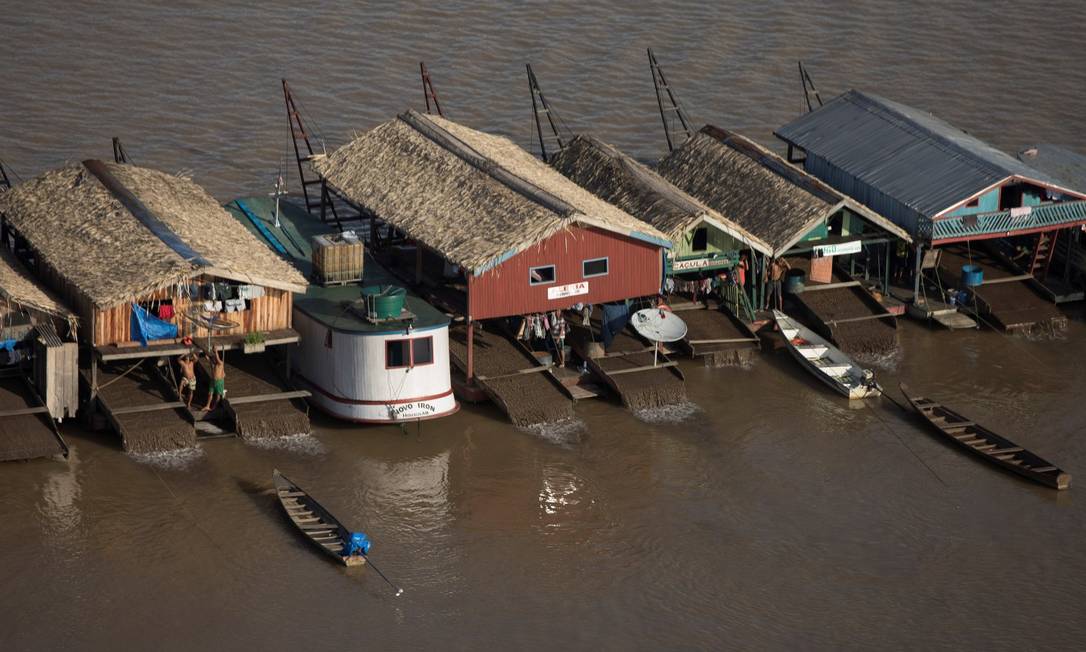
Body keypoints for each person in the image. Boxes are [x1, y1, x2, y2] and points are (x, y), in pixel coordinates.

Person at [202, 346, 226, 411]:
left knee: (218, 396)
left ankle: (214, 407)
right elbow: (207, 358)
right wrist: (203, 350)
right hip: (212, 381)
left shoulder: (220, 363)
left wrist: (216, 351)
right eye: (212, 359)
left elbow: (217, 358)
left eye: (214, 359)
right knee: (210, 393)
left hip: (219, 381)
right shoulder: (212, 364)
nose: (213, 360)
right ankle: (207, 406)